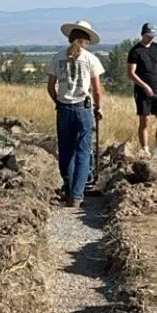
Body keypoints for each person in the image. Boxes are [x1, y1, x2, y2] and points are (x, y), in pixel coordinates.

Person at [46, 20, 104, 207]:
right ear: (86, 41)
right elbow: (96, 89)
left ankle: (69, 188)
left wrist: (58, 101)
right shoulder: (91, 59)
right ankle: (78, 195)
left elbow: (50, 86)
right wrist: (98, 107)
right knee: (82, 150)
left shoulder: (57, 58)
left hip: (64, 107)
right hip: (83, 107)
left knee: (66, 150)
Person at [127, 21, 157, 158]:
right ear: (143, 34)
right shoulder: (135, 51)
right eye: (148, 35)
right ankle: (145, 150)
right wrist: (144, 86)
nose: (151, 37)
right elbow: (131, 73)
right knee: (145, 121)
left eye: (152, 35)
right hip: (142, 91)